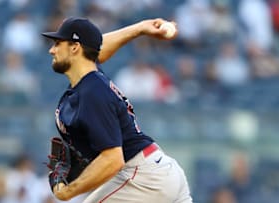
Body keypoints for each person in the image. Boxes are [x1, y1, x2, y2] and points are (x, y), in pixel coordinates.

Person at [41, 17, 192, 203]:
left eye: (57, 43)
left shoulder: (91, 93)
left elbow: (113, 159)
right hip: (158, 171)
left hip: (142, 177)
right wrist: (140, 28)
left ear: (74, 48)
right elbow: (96, 50)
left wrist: (68, 192)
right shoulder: (92, 79)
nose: (51, 50)